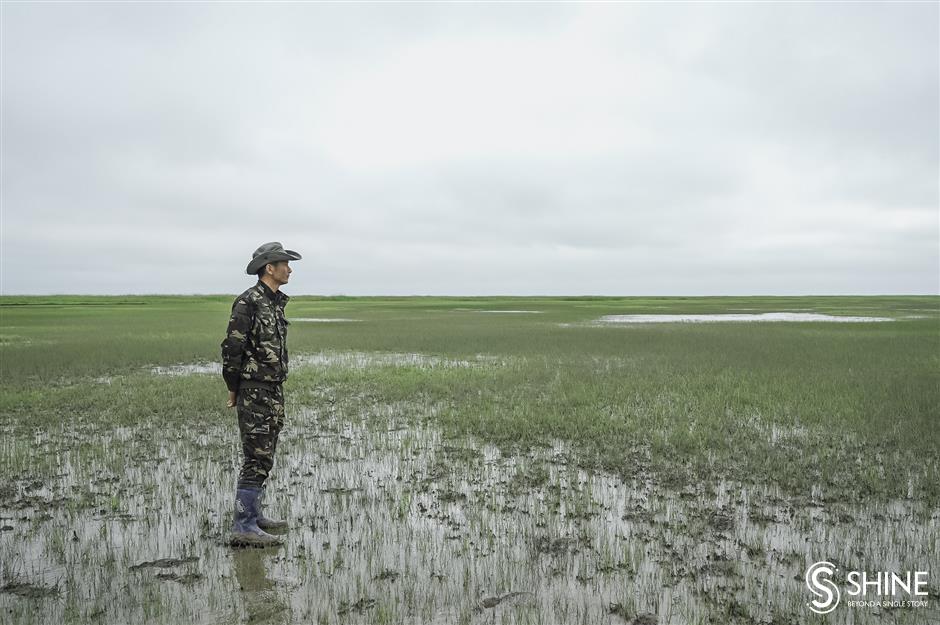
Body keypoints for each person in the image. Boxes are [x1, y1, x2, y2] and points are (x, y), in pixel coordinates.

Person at [221, 241, 302, 547]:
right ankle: (243, 526)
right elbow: (232, 349)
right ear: (270, 268)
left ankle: (253, 516)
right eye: (285, 264)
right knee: (255, 457)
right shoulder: (248, 302)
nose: (289, 269)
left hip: (273, 389)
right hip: (253, 390)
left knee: (265, 455)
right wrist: (233, 388)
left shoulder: (273, 303)